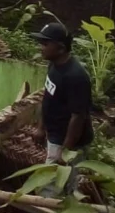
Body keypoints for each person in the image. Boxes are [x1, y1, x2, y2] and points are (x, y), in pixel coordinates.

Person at [33, 22, 93, 178]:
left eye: (45, 43)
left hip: (68, 142)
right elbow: (47, 97)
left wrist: (65, 151)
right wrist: (41, 128)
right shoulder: (53, 66)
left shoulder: (76, 77)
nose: (41, 47)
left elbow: (78, 116)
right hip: (54, 136)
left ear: (60, 48)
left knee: (54, 185)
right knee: (56, 182)